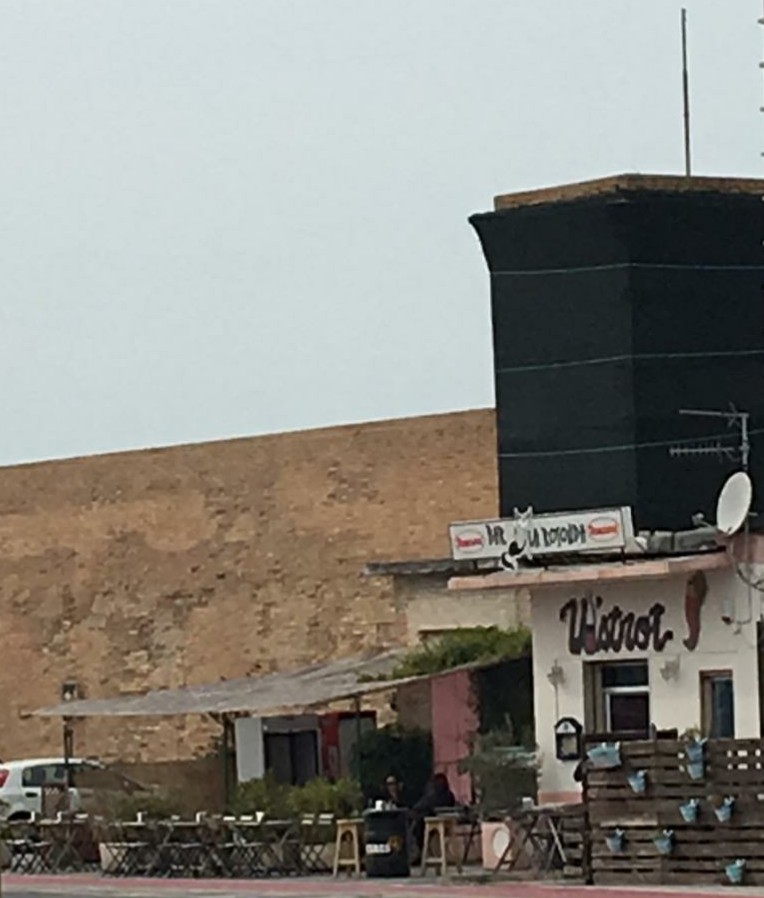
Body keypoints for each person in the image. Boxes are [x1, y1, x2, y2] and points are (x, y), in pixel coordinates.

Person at [410, 773, 457, 861]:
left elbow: (424, 805)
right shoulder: (449, 795)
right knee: (417, 819)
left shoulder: (436, 795)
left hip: (433, 825)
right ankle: (418, 850)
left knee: (417, 821)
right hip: (442, 823)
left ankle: (418, 851)